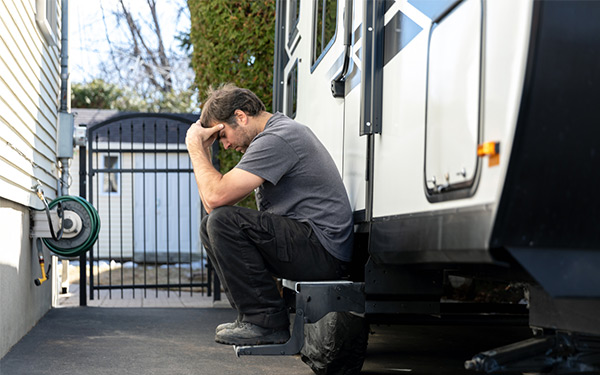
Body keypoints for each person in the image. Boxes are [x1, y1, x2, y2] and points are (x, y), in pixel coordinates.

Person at [185, 83, 353, 346]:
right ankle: (253, 317)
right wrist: (203, 150)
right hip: (313, 245)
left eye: (223, 135)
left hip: (323, 250)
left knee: (221, 222)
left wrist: (195, 147)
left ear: (240, 116)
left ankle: (265, 322)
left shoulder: (278, 138)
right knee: (211, 225)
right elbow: (212, 202)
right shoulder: (275, 134)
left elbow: (215, 198)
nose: (226, 145)